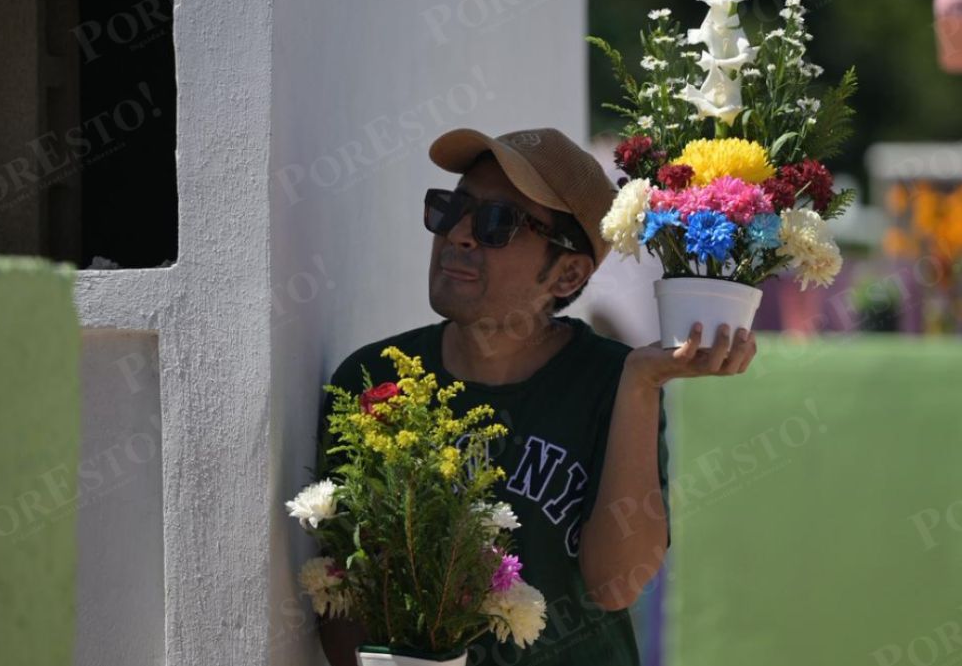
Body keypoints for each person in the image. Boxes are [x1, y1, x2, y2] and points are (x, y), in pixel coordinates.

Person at [313, 127, 757, 665]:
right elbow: (339, 598)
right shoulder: (369, 381)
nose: (459, 235)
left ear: (568, 274)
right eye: (452, 208)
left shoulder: (613, 380)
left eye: (497, 223)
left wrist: (641, 385)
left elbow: (616, 586)